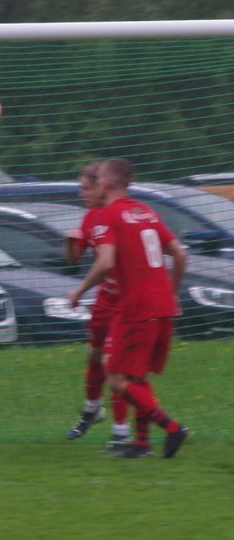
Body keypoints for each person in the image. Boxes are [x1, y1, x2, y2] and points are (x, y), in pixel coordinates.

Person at [68, 158, 191, 459]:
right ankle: (141, 444)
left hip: (136, 306)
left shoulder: (108, 215)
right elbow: (180, 254)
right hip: (163, 305)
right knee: (136, 377)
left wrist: (79, 291)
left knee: (115, 376)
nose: (93, 185)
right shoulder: (145, 211)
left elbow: (106, 262)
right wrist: (171, 294)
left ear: (107, 183)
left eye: (97, 179)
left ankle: (172, 428)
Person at [63, 162, 130, 449]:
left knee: (114, 366)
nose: (82, 194)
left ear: (102, 186)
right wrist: (70, 242)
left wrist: (79, 290)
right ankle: (92, 410)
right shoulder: (90, 217)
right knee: (94, 355)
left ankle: (122, 432)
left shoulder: (120, 214)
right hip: (105, 300)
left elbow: (107, 263)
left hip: (127, 302)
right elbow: (72, 260)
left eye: (86, 188)